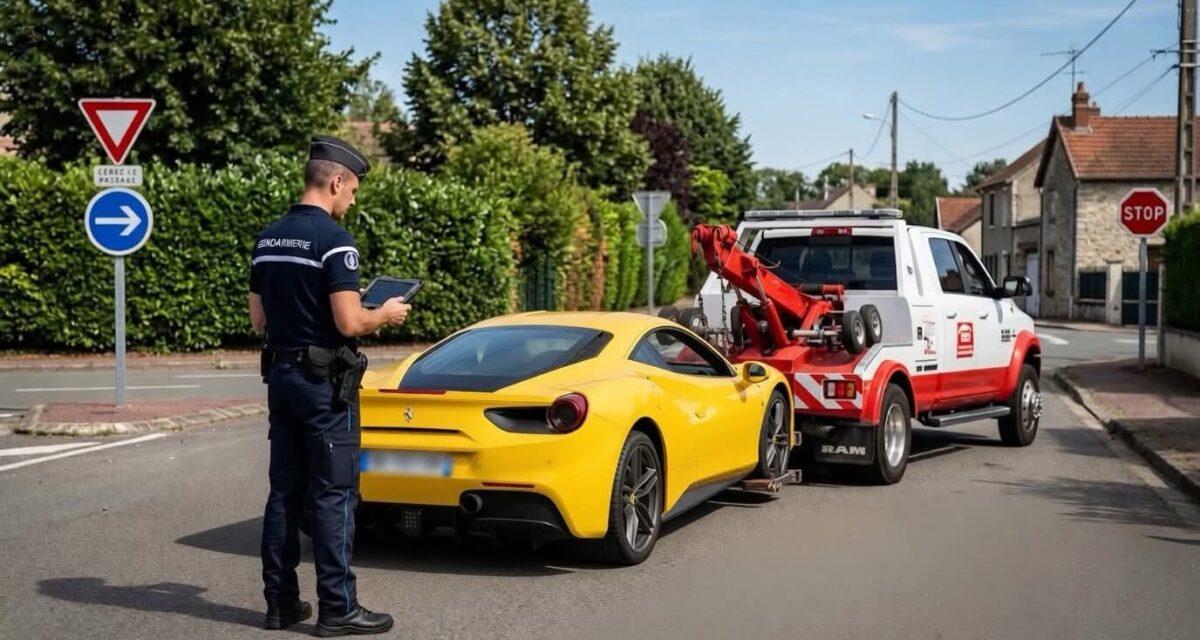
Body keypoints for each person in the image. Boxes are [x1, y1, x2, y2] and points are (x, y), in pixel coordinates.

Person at [248, 135, 409, 636]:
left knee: (284, 492)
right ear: (336, 182)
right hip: (324, 385)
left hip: (281, 376)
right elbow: (349, 323)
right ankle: (338, 609)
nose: (352, 201)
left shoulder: (267, 239)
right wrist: (383, 312)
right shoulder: (336, 241)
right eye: (353, 190)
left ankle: (280, 604)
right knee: (334, 494)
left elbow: (258, 320)